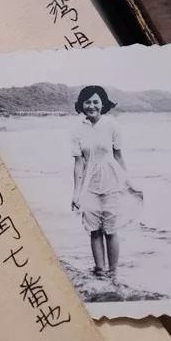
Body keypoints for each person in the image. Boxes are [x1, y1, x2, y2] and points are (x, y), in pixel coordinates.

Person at [70, 85, 143, 279]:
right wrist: (76, 194)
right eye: (87, 102)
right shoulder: (76, 130)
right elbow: (78, 164)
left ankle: (113, 273)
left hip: (112, 182)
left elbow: (118, 157)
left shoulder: (112, 125)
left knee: (110, 229)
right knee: (94, 230)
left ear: (103, 104)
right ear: (81, 104)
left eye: (96, 102)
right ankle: (100, 272)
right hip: (89, 185)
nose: (91, 106)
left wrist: (128, 183)